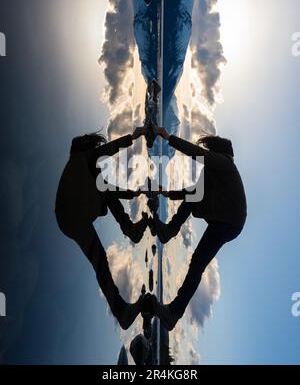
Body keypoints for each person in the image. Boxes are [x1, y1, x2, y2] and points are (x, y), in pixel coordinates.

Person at [149, 127, 247, 331]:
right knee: (194, 194)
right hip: (225, 218)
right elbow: (192, 191)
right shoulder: (215, 172)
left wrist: (168, 137)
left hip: (229, 221)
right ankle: (168, 232)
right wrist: (168, 193)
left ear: (219, 152)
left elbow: (197, 153)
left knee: (197, 264)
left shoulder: (224, 163)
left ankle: (173, 313)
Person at [55, 127, 148, 330]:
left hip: (66, 221)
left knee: (100, 262)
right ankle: (131, 230)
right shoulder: (83, 158)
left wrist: (130, 194)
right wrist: (133, 136)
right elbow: (109, 149)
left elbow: (104, 186)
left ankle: (122, 312)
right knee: (106, 191)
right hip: (75, 212)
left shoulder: (76, 168)